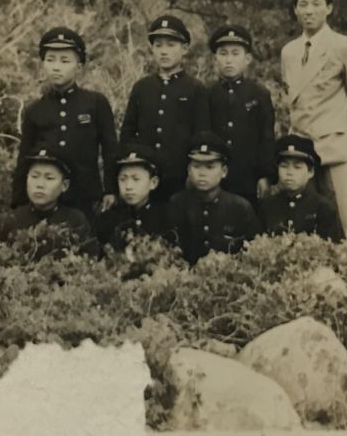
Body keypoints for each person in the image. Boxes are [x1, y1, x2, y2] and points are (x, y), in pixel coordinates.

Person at [280, 0, 347, 250]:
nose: (309, 10)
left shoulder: (346, 46)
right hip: (302, 146)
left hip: (338, 142)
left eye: (316, 4)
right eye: (303, 5)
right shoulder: (289, 52)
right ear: (295, 10)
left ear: (329, 8)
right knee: (308, 218)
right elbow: (294, 101)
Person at [12, 27, 118, 226]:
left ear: (79, 66)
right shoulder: (36, 110)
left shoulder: (95, 103)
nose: (56, 67)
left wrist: (111, 190)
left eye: (65, 61)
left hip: (86, 196)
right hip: (48, 201)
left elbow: (110, 149)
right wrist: (18, 202)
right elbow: (24, 158)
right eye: (50, 60)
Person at [119, 14, 210, 201]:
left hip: (179, 178)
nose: (164, 51)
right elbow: (128, 133)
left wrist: (192, 174)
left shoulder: (195, 88)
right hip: (144, 178)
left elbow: (201, 135)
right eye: (158, 45)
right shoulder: (142, 87)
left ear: (184, 48)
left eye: (170, 45)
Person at [206, 25, 276, 209]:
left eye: (235, 53)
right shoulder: (207, 93)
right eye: (223, 53)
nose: (229, 60)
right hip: (213, 179)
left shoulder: (259, 94)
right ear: (215, 59)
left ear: (247, 59)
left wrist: (264, 175)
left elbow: (266, 137)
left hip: (248, 178)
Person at [166, 132, 260, 265]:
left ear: (224, 171)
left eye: (210, 167)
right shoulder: (177, 204)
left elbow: (252, 253)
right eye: (196, 166)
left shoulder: (240, 208)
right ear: (188, 170)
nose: (202, 173)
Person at [0, 144, 96, 258]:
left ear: (64, 185)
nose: (40, 185)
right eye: (34, 176)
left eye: (49, 178)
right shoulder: (10, 221)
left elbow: (89, 264)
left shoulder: (76, 221)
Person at [260, 134, 344, 242]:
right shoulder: (268, 206)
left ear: (310, 172)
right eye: (284, 166)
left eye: (297, 167)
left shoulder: (323, 208)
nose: (289, 172)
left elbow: (332, 249)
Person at [95, 143, 174, 253]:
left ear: (153, 183)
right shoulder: (108, 220)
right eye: (123, 179)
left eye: (136, 179)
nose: (128, 187)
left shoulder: (165, 219)